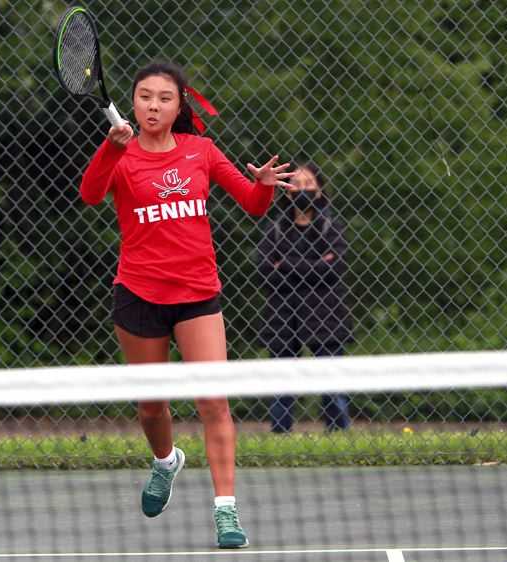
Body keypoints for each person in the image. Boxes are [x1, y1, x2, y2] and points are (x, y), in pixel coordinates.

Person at [79, 60, 295, 549]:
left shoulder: (201, 152)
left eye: (164, 98)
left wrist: (261, 182)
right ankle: (165, 462)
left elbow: (254, 204)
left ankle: (225, 512)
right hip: (138, 295)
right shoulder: (121, 153)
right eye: (145, 96)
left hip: (198, 295)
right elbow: (91, 195)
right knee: (152, 407)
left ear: (179, 107)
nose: (153, 105)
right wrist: (108, 151)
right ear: (132, 102)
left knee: (213, 401)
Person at [256, 163, 353, 433]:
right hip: (283, 315)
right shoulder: (275, 229)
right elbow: (264, 269)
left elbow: (335, 268)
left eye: (308, 184)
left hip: (325, 315)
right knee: (283, 383)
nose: (302, 190)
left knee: (331, 382)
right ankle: (281, 436)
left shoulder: (330, 227)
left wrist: (285, 265)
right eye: (296, 185)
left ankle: (338, 435)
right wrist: (314, 266)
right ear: (287, 192)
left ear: (320, 190)